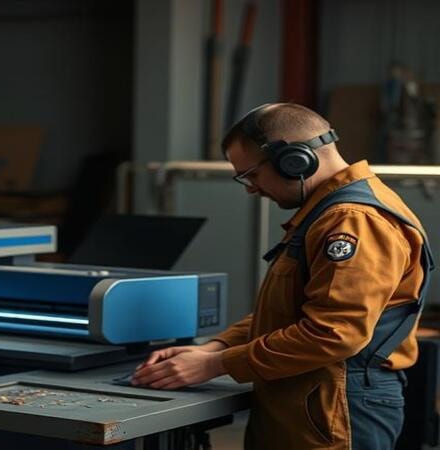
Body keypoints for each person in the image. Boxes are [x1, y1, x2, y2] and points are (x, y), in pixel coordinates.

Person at [132, 103, 434, 450]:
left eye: (252, 175)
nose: (251, 189)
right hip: (308, 399)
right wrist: (215, 347)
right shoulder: (323, 213)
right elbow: (289, 310)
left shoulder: (353, 221)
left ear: (294, 160)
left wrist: (216, 364)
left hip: (335, 405)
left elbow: (333, 334)